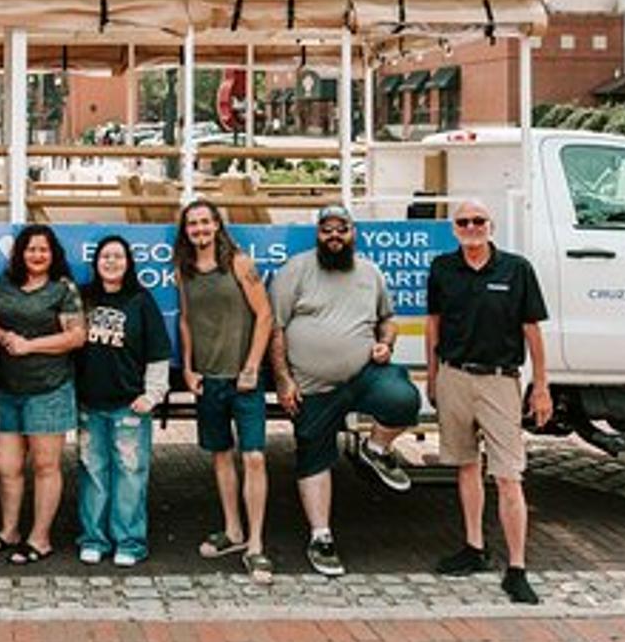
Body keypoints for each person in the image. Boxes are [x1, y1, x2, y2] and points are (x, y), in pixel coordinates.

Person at [268, 203, 423, 577]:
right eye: (327, 230)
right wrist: (284, 380)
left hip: (363, 375)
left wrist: (386, 343)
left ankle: (376, 448)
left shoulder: (370, 272)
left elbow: (388, 319)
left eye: (342, 229)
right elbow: (277, 330)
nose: (335, 236)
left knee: (405, 400)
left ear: (354, 233)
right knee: (313, 457)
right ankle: (321, 537)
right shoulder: (296, 270)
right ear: (318, 234)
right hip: (312, 386)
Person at [425, 198, 552, 605]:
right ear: (454, 229)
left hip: (500, 381)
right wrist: (433, 375)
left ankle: (517, 568)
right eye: (463, 221)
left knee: (509, 475)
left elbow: (532, 330)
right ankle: (474, 547)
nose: (471, 226)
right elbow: (434, 324)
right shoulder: (442, 268)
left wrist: (542, 385)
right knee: (465, 466)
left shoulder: (517, 269)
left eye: (478, 220)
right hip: (454, 376)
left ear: (491, 225)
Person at [176, 198, 277, 584]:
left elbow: (265, 315)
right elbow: (186, 320)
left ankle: (256, 544)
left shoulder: (239, 263)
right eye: (192, 224)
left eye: (205, 222)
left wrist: (252, 365)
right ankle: (233, 531)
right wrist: (187, 367)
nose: (199, 230)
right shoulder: (183, 269)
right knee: (221, 456)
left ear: (217, 225)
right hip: (209, 379)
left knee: (253, 457)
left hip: (244, 379)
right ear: (186, 231)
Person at [0, 223, 85, 567]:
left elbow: (76, 337)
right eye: (30, 249)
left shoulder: (62, 288)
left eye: (43, 249)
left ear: (52, 254)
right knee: (4, 465)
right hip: (11, 389)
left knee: (45, 465)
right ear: (20, 253)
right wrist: (2, 334)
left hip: (49, 388)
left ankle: (39, 538)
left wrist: (29, 346)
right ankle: (8, 531)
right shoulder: (4, 282)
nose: (36, 255)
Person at [73, 234, 171, 568]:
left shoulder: (141, 301)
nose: (111, 262)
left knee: (130, 475)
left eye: (118, 257)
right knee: (93, 473)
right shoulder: (83, 298)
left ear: (128, 263)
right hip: (89, 404)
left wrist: (152, 394)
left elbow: (158, 351)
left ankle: (130, 542)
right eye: (105, 257)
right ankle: (93, 539)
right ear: (96, 262)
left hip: (129, 405)